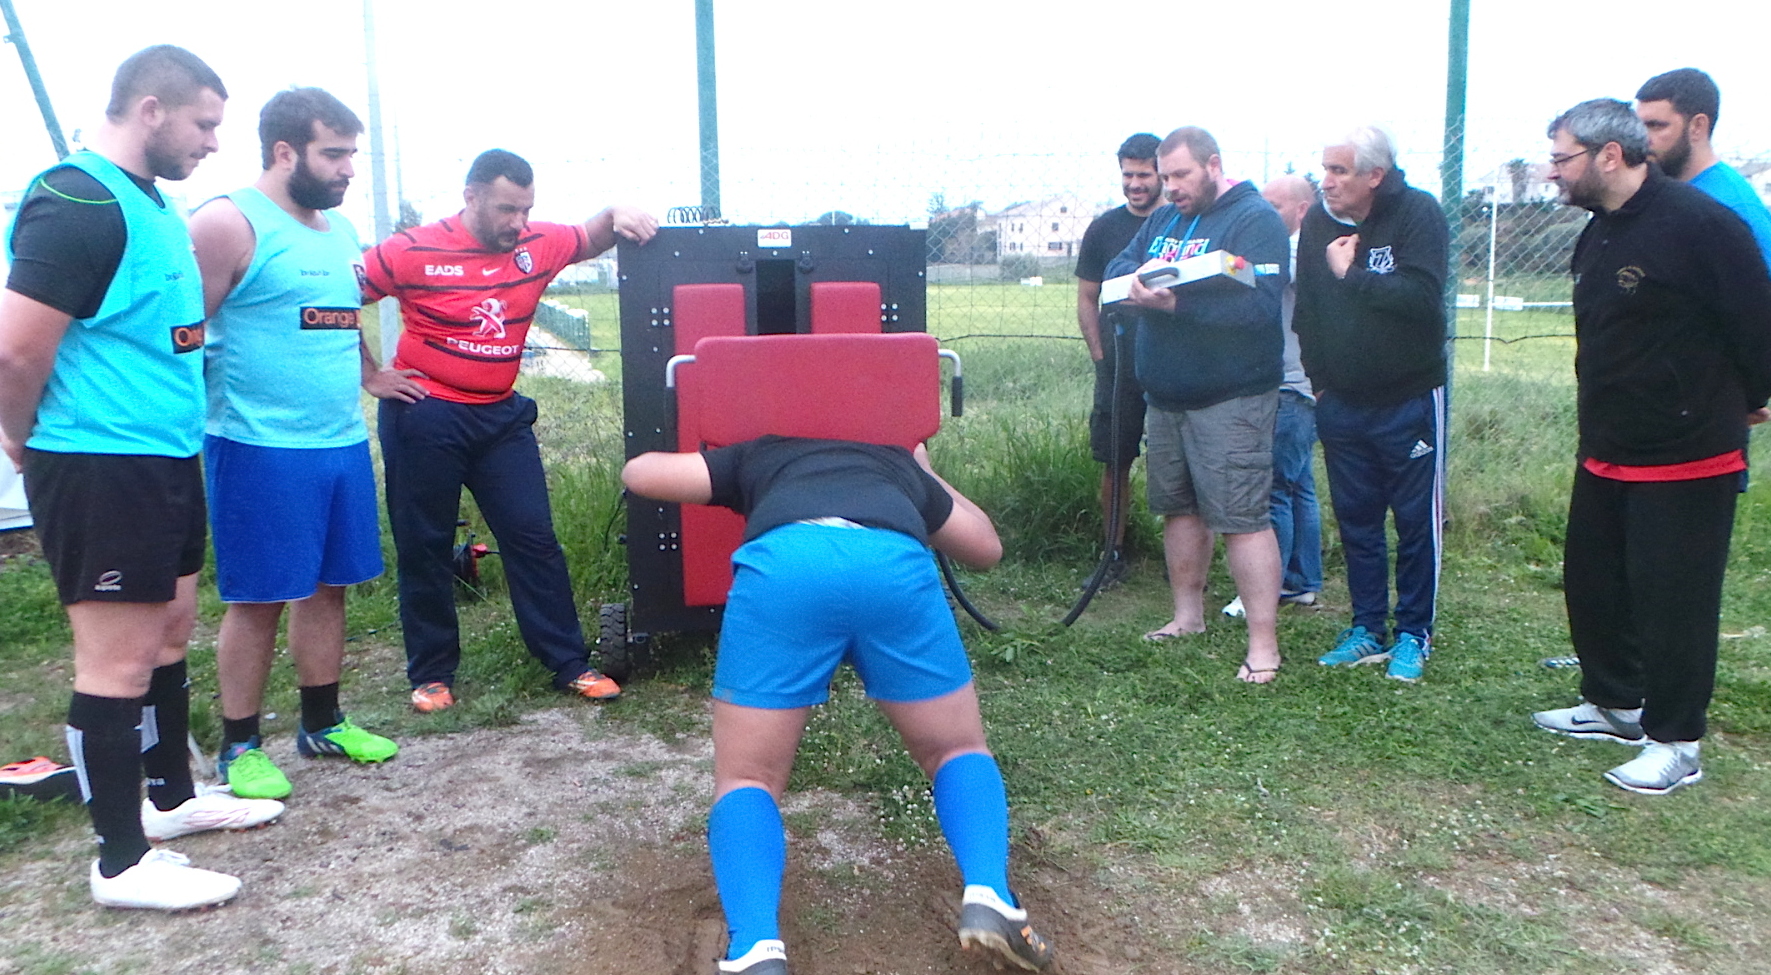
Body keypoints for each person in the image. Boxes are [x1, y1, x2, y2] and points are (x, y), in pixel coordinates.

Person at [0, 45, 282, 912]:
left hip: (164, 455)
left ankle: (170, 801)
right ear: (152, 110)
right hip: (97, 462)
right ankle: (119, 861)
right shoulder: (75, 201)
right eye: (203, 124)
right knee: (114, 662)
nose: (210, 143)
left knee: (169, 631)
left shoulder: (156, 206)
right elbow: (14, 348)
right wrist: (23, 442)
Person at [621, 436, 1053, 973]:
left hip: (787, 568)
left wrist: (729, 467)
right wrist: (923, 472)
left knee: (747, 779)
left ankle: (755, 949)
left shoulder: (760, 452)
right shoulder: (891, 460)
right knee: (955, 748)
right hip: (889, 564)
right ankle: (990, 895)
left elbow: (641, 473)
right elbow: (986, 547)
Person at [360, 150, 658, 712]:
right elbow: (337, 296)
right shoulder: (411, 249)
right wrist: (372, 374)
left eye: (526, 210)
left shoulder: (536, 244)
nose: (517, 223)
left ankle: (567, 661)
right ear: (470, 197)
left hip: (500, 417)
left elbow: (591, 236)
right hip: (427, 414)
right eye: (505, 210)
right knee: (424, 545)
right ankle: (431, 673)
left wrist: (618, 210)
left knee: (533, 539)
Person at [1531, 99, 1771, 795]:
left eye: (1560, 157)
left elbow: (1756, 322)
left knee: (1674, 601)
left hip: (1687, 449)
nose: (1551, 172)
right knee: (1595, 581)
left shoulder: (1700, 226)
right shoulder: (1599, 230)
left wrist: (1745, 397)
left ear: (1610, 154)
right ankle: (1614, 704)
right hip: (1608, 443)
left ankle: (1675, 741)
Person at [188, 88, 419, 801]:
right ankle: (240, 744)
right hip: (256, 445)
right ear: (285, 151)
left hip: (339, 442)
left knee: (329, 586)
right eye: (335, 153)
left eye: (352, 153)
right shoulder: (226, 223)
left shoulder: (338, 230)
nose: (349, 168)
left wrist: (373, 374)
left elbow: (339, 318)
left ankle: (322, 721)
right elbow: (181, 336)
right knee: (260, 595)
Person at [1108, 126, 1289, 683]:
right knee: (1178, 509)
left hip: (1230, 397)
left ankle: (1264, 645)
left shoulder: (1254, 219)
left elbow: (1259, 309)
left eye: (1181, 175)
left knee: (1241, 517)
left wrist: (1175, 304)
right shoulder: (1165, 220)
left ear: (1213, 165)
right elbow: (1119, 271)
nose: (1172, 188)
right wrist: (1138, 290)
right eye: (1165, 178)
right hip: (1165, 395)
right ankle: (1188, 617)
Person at [1292, 126, 1449, 683]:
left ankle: (1413, 633)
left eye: (1339, 172)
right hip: (1341, 402)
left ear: (1374, 177)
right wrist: (1320, 383)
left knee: (1413, 523)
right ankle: (1366, 627)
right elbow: (1306, 308)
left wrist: (1351, 275)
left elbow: (1421, 300)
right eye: (1325, 170)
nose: (1326, 182)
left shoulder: (1416, 214)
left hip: (1408, 398)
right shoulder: (1317, 222)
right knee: (1357, 521)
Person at [1225, 175, 1324, 619]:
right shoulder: (1305, 249)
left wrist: (1219, 263)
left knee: (1271, 492)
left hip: (1289, 386)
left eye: (1275, 206)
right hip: (1304, 386)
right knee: (1299, 485)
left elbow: (1251, 275)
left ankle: (1270, 586)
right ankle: (1303, 581)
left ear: (1302, 209)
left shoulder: (1298, 252)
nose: (1265, 214)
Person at [1074, 133, 1161, 588]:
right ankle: (1113, 553)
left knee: (1180, 461)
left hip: (1170, 362)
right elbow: (1087, 296)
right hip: (1117, 362)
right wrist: (1099, 353)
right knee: (1115, 459)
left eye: (1143, 174)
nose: (1134, 183)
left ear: (1162, 172)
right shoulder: (1104, 229)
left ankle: (1182, 556)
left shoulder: (1178, 225)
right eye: (1127, 174)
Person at [1634, 69, 1771, 264]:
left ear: (1697, 126)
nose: (1642, 139)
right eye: (1639, 127)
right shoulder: (1656, 191)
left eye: (1656, 126)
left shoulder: (1733, 206)